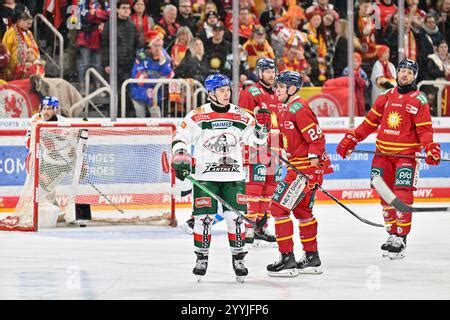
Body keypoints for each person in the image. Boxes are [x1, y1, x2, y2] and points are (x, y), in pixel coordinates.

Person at [336, 59, 441, 260]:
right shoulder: (385, 97)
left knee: (402, 196)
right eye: (402, 70)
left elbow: (425, 130)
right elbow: (368, 124)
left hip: (406, 157)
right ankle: (391, 233)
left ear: (415, 76)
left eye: (409, 72)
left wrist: (430, 147)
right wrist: (352, 139)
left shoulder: (419, 100)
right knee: (384, 195)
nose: (404, 74)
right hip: (382, 155)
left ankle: (401, 237)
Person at [171, 73, 271, 282]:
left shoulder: (241, 115)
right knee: (203, 219)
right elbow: (181, 137)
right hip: (205, 177)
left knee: (235, 219)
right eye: (222, 90)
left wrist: (262, 130)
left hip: (233, 177)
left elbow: (258, 143)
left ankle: (238, 258)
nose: (227, 94)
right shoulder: (197, 115)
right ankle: (202, 257)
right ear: (211, 94)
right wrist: (180, 153)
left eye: (228, 90)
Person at [266, 71, 333, 277]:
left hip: (302, 172)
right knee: (303, 212)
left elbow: (316, 140)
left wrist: (313, 171)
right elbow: (293, 139)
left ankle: (287, 259)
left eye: (280, 86)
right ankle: (312, 258)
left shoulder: (299, 108)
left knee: (278, 209)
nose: (276, 89)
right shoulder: (287, 108)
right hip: (301, 169)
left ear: (292, 89)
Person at [238, 58, 282, 246]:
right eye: (267, 71)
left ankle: (262, 227)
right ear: (259, 73)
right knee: (254, 188)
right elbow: (242, 120)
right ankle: (248, 229)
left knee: (270, 189)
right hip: (256, 146)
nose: (271, 75)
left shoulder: (279, 93)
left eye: (273, 71)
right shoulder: (250, 92)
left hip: (275, 146)